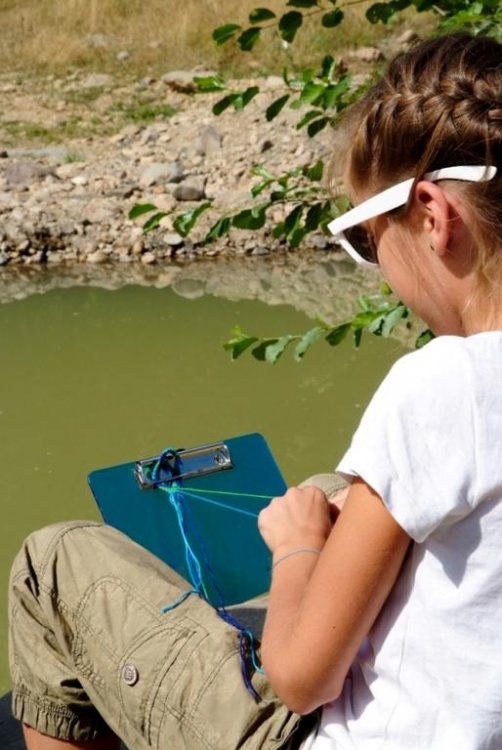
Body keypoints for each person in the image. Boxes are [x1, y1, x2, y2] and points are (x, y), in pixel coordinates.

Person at [8, 31, 502, 750]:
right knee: (332, 488)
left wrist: (298, 549)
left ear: (431, 216)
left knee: (51, 563)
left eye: (367, 240)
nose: (381, 271)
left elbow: (302, 680)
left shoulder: (445, 381)